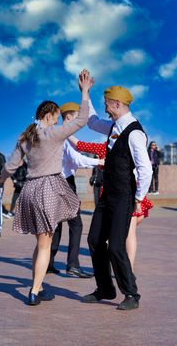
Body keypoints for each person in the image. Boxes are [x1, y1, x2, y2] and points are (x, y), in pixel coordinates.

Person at [0, 70, 93, 306]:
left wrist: (0, 179)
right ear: (49, 115)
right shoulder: (52, 134)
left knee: (40, 243)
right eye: (57, 116)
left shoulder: (25, 136)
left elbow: (11, 166)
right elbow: (82, 119)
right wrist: (85, 92)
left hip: (29, 190)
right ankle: (35, 291)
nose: (58, 121)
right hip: (48, 189)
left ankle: (36, 286)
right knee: (45, 244)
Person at [82, 86, 152, 310]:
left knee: (116, 247)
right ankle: (105, 289)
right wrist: (85, 93)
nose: (104, 106)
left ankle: (131, 293)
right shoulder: (114, 126)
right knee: (94, 240)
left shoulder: (134, 133)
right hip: (108, 194)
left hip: (124, 195)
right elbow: (92, 122)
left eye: (106, 102)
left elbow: (145, 169)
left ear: (117, 104)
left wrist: (139, 198)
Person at [68, 136, 153, 271]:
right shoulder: (135, 146)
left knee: (114, 232)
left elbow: (80, 145)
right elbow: (146, 171)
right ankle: (127, 268)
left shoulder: (106, 147)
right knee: (128, 232)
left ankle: (120, 269)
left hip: (115, 193)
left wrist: (66, 131)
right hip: (134, 192)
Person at [47, 102, 104, 278]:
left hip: (54, 181)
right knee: (76, 224)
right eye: (77, 119)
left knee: (56, 224)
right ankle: (72, 264)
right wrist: (99, 162)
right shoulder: (64, 136)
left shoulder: (56, 135)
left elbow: (71, 160)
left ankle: (48, 262)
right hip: (65, 183)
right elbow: (77, 160)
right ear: (69, 118)